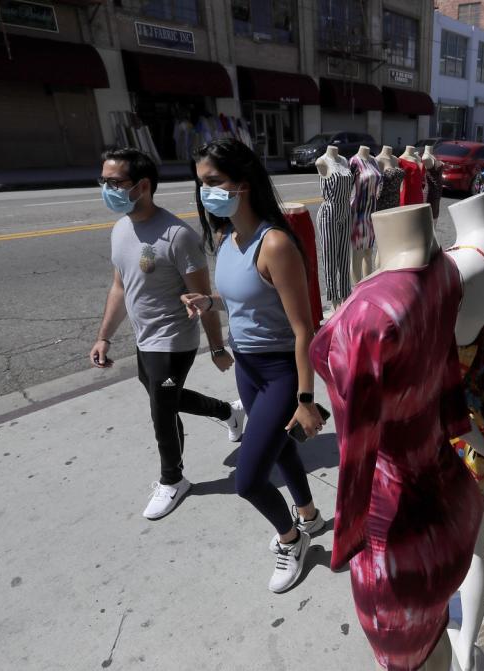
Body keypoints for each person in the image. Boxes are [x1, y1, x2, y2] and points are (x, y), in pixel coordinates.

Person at [183, 138, 325, 593]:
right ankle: (310, 517)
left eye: (214, 182)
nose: (206, 192)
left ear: (242, 184)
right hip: (247, 366)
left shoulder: (275, 243)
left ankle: (291, 540)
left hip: (281, 371)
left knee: (248, 480)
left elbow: (304, 329)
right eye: (201, 184)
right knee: (281, 450)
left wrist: (307, 400)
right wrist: (211, 301)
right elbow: (246, 299)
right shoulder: (227, 238)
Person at [90, 148, 246, 521]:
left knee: (161, 412)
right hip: (145, 338)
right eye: (104, 181)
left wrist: (217, 348)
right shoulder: (121, 228)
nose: (106, 188)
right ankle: (228, 412)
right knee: (168, 399)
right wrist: (105, 337)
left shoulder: (177, 236)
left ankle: (172, 480)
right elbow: (119, 287)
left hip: (174, 339)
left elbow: (203, 298)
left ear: (142, 186)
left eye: (115, 182)